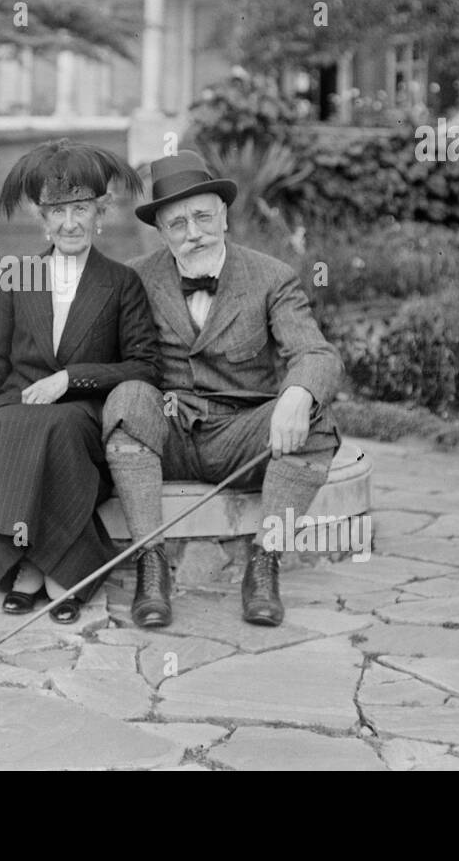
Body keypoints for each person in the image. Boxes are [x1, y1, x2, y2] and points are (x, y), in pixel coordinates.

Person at [103, 150, 343, 628]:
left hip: (243, 437)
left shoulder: (271, 277)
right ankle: (152, 566)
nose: (193, 233)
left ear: (225, 216)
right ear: (161, 231)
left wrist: (296, 396)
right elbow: (107, 357)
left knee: (317, 420)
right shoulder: (133, 278)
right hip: (169, 431)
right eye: (177, 224)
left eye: (202, 217)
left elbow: (315, 353)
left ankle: (263, 564)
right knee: (127, 400)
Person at [0, 141, 160, 624]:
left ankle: (40, 570)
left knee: (55, 429)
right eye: (58, 211)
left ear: (99, 214)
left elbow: (144, 366)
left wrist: (72, 379)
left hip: (84, 411)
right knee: (10, 421)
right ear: (42, 217)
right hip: (21, 404)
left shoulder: (121, 283)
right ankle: (41, 565)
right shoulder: (18, 276)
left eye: (81, 209)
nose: (70, 223)